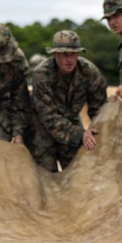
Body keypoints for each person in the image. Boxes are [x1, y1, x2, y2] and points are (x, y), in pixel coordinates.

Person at [25, 31, 107, 172]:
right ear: (55, 54)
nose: (69, 60)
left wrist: (95, 133)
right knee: (46, 175)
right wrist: (80, 134)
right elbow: (48, 117)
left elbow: (99, 109)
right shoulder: (42, 74)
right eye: (64, 55)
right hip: (41, 127)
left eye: (73, 54)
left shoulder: (89, 72)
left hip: (71, 122)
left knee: (78, 172)